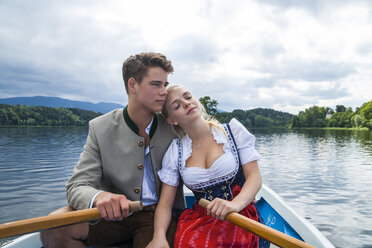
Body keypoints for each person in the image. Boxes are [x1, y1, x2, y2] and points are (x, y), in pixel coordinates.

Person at [40, 52, 185, 248]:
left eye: (165, 85)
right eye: (156, 84)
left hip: (160, 218)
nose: (164, 92)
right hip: (112, 218)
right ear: (132, 85)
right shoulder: (100, 128)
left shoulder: (176, 126)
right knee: (53, 228)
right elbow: (77, 185)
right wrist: (100, 197)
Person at [147, 85, 262, 248]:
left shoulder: (233, 132)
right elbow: (165, 205)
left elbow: (254, 178)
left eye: (187, 97)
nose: (186, 103)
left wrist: (235, 204)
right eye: (177, 105)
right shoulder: (176, 151)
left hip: (240, 214)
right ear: (172, 120)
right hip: (202, 221)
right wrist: (159, 236)